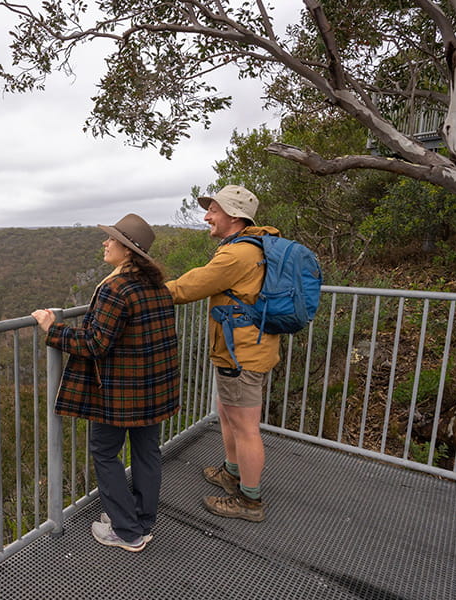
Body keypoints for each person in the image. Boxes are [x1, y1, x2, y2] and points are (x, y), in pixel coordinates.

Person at [31, 214, 180, 552]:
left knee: (103, 450)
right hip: (154, 387)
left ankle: (126, 532)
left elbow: (96, 343)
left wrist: (52, 329)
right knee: (147, 451)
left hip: (122, 392)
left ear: (127, 251)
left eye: (112, 239)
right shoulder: (155, 285)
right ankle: (142, 520)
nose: (105, 243)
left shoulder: (116, 288)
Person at [164, 184, 281, 523]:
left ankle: (250, 500)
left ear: (233, 215)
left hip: (242, 352)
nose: (207, 216)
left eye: (213, 210)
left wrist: (148, 290)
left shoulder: (236, 254)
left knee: (245, 426)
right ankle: (233, 474)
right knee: (229, 414)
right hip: (245, 347)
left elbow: (191, 286)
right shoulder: (250, 247)